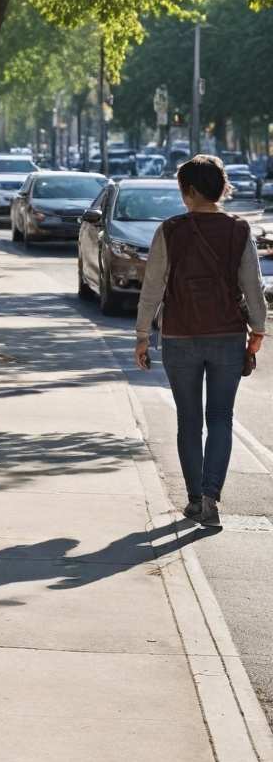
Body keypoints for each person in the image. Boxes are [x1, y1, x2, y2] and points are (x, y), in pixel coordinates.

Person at [134, 154, 266, 527]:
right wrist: (257, 330)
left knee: (188, 420)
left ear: (187, 190)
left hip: (179, 336)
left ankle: (193, 500)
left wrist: (143, 335)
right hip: (226, 336)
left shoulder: (170, 230)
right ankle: (211, 497)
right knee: (221, 418)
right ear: (222, 188)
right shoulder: (239, 230)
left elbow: (152, 288)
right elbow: (252, 287)